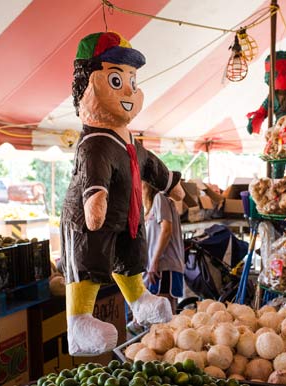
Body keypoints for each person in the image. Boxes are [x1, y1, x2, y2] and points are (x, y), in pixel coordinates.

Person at [60, 31, 184, 356]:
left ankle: (139, 300)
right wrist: (95, 197)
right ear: (87, 84)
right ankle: (78, 323)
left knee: (131, 256)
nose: (129, 90)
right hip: (91, 216)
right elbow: (93, 168)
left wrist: (170, 181)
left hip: (126, 216)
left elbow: (149, 163)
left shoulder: (128, 141)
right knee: (89, 259)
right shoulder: (95, 141)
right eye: (117, 80)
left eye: (132, 79)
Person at [143, 181, 185, 312]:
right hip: (158, 267)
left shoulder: (160, 198)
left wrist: (154, 262)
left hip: (164, 266)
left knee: (163, 316)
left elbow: (166, 229)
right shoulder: (151, 206)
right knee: (162, 316)